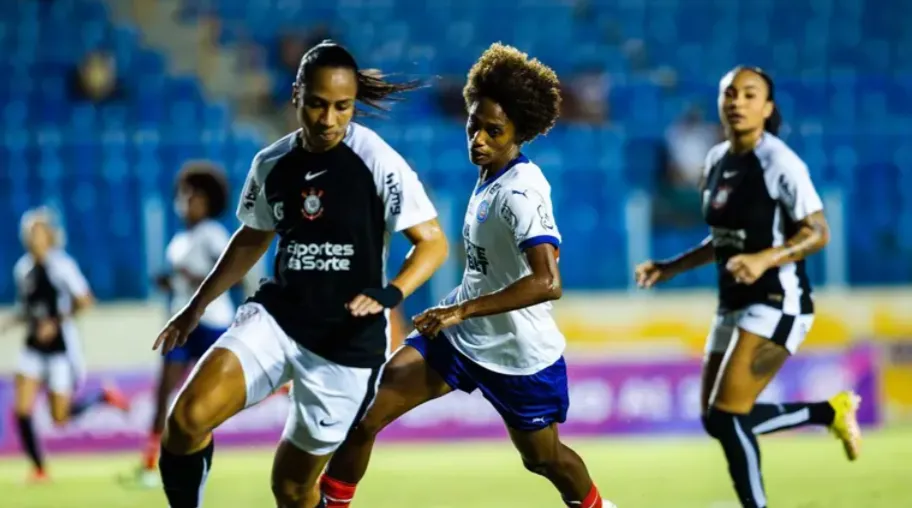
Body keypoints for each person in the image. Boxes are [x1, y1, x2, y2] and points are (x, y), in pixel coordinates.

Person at [152, 40, 448, 508]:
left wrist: (391, 293)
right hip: (278, 317)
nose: (328, 119)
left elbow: (432, 242)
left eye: (341, 107)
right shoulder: (272, 163)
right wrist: (197, 305)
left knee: (291, 489)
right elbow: (251, 237)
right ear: (296, 95)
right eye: (316, 104)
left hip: (345, 345)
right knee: (185, 420)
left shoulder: (377, 161)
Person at [320, 43, 614, 508]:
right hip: (462, 338)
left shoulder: (522, 190)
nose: (477, 138)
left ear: (520, 132)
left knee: (544, 460)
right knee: (364, 415)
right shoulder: (488, 175)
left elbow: (547, 283)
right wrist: (459, 314)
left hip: (518, 353)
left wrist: (460, 309)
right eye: (473, 124)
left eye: (493, 130)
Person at [634, 66, 862, 508]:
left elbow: (818, 232)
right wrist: (670, 267)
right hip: (732, 303)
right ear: (720, 103)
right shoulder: (716, 160)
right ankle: (829, 412)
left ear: (767, 107)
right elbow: (721, 239)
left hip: (779, 301)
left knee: (727, 415)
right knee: (715, 418)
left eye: (750, 95)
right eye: (730, 94)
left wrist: (765, 259)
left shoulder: (781, 163)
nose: (738, 101)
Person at [1, 207, 129, 482]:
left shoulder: (61, 265)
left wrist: (56, 322)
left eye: (37, 230)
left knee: (59, 417)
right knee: (21, 409)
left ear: (49, 235)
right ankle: (39, 468)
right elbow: (27, 308)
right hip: (33, 348)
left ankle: (102, 397)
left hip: (60, 349)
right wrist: (9, 323)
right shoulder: (22, 269)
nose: (32, 236)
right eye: (29, 231)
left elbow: (85, 300)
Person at [130, 162, 235, 487]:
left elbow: (227, 274)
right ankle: (151, 464)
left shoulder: (213, 234)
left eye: (193, 197)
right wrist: (168, 283)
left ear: (207, 202)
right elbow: (180, 281)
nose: (186, 202)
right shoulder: (179, 240)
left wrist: (190, 278)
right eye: (184, 196)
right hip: (180, 322)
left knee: (231, 387)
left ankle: (282, 388)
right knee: (163, 392)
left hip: (212, 322)